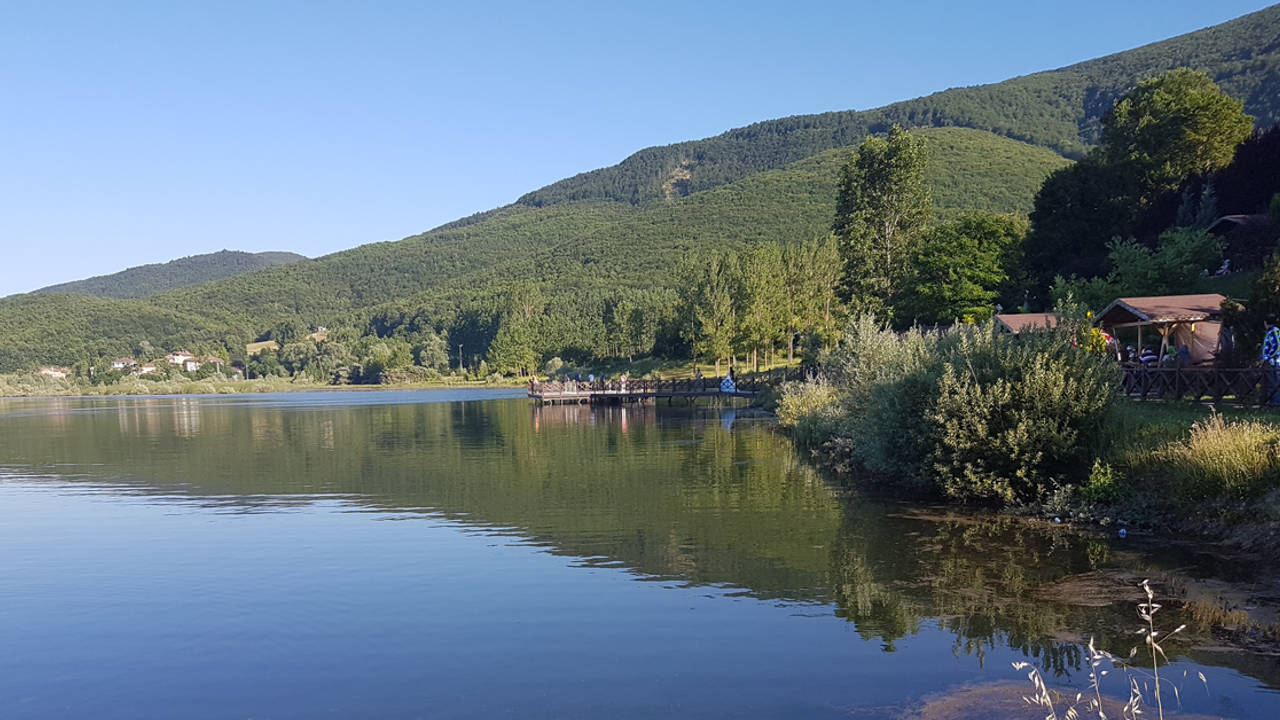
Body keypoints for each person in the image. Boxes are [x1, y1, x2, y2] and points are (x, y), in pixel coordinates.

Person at [1262, 316, 1280, 404]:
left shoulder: (1274, 331)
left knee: (1274, 383)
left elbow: (1277, 346)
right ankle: (1271, 401)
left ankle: (1275, 403)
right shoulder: (1270, 332)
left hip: (1273, 361)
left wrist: (1267, 357)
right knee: (1270, 382)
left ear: (1266, 322)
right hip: (1270, 361)